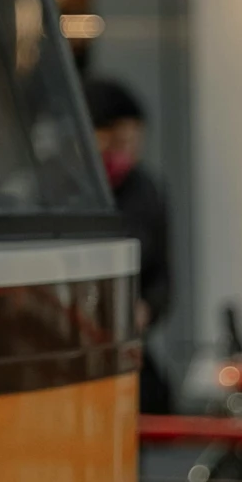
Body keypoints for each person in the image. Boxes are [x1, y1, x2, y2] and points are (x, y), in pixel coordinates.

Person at [86, 74, 171, 412]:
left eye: (133, 144)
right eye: (115, 142)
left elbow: (163, 276)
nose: (125, 154)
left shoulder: (146, 191)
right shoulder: (57, 191)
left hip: (128, 351)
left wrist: (146, 308)